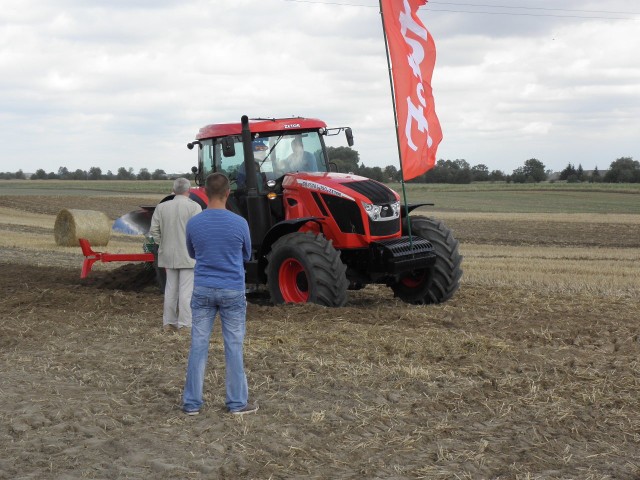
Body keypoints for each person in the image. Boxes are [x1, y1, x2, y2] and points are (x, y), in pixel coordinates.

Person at [182, 173, 257, 416]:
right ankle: (236, 403)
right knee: (233, 346)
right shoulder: (240, 223)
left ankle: (192, 404)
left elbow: (192, 253)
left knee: (198, 345)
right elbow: (246, 255)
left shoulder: (194, 223)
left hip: (203, 288)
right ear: (228, 193)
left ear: (204, 192)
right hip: (232, 289)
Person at [148, 177, 201, 333]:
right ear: (189, 190)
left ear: (173, 190)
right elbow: (198, 232)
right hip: (188, 255)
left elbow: (154, 231)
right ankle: (185, 325)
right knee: (186, 291)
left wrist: (162, 244)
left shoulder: (162, 207)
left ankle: (169, 323)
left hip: (168, 254)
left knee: (170, 289)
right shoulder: (194, 207)